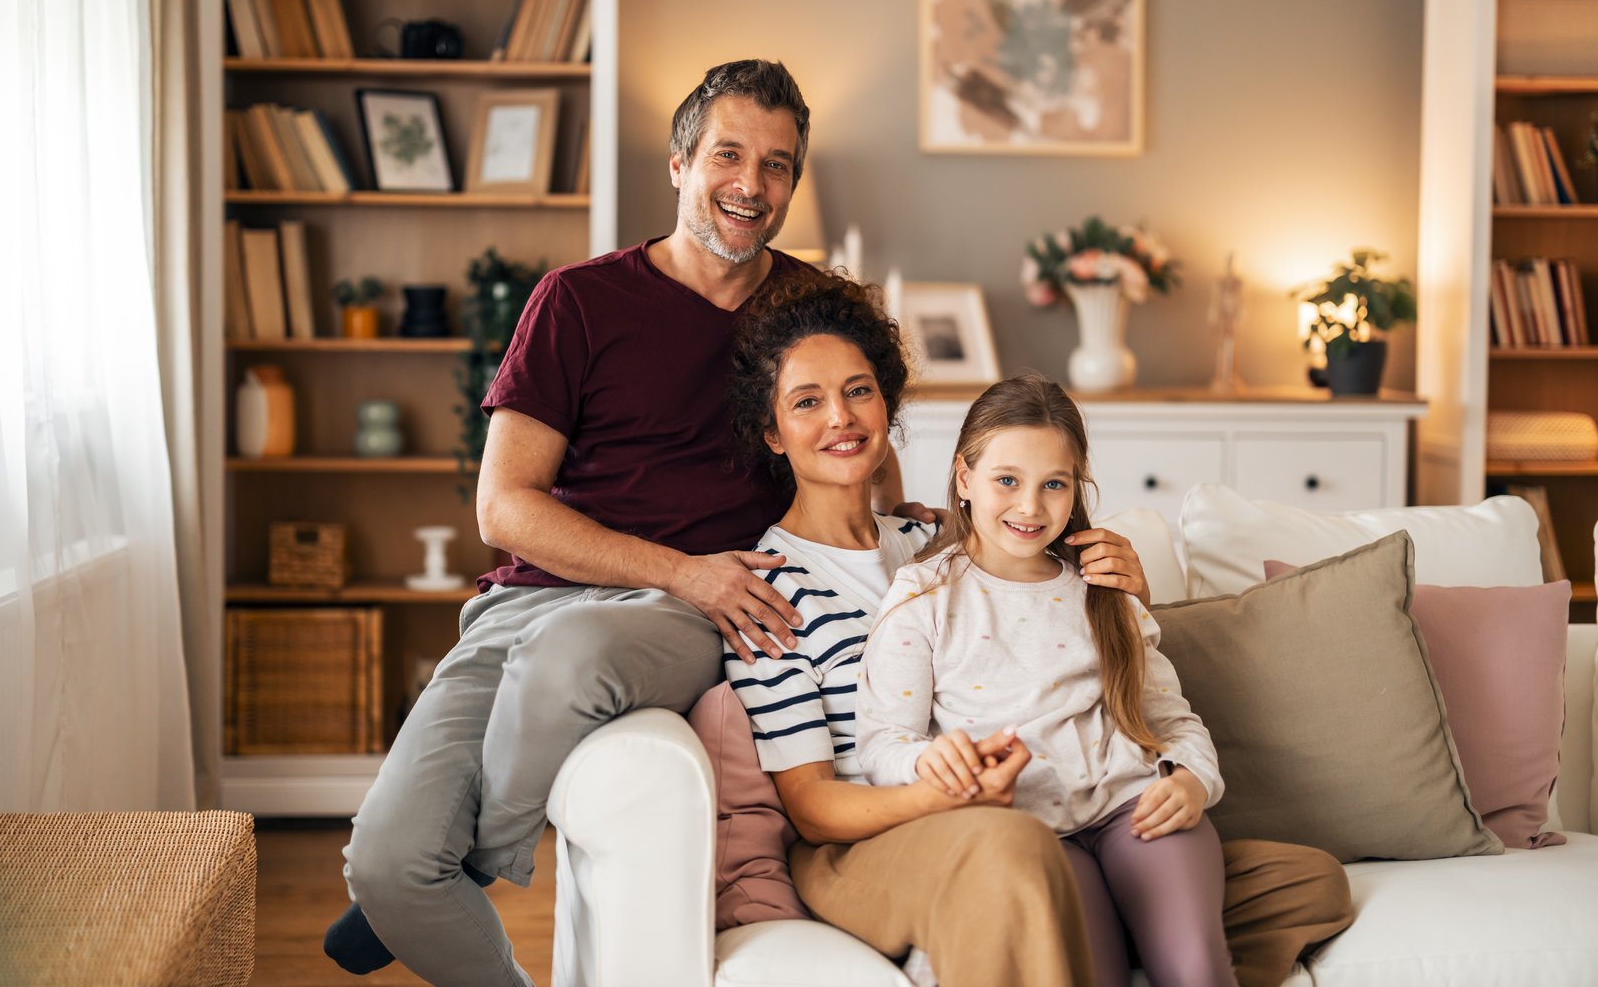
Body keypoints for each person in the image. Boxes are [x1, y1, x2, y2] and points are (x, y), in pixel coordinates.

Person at [325, 59, 883, 987]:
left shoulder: (809, 311)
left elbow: (857, 457)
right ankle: (450, 873)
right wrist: (674, 566)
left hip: (698, 608)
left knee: (573, 658)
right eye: (729, 155)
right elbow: (503, 507)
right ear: (679, 162)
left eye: (778, 166)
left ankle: (478, 853)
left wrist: (952, 529)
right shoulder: (577, 300)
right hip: (535, 605)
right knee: (386, 868)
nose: (752, 185)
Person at [727, 274, 1353, 987]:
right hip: (900, 829)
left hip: (1091, 812)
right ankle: (1093, 929)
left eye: (859, 390)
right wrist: (947, 791)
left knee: (1307, 880)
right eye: (808, 402)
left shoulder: (936, 538)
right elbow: (812, 804)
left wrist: (1131, 597)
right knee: (1025, 855)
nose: (840, 416)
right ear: (773, 430)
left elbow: (1120, 675)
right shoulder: (767, 587)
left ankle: (1122, 921)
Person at [859, 373, 1221, 986]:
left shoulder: (1102, 583)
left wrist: (1193, 779)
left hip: (1135, 808)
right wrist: (928, 762)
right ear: (964, 478)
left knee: (1195, 971)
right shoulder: (923, 594)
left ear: (1076, 487)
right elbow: (881, 743)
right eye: (1007, 480)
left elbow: (1174, 721)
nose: (1030, 507)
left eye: (1054, 484)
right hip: (1029, 833)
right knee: (1085, 973)